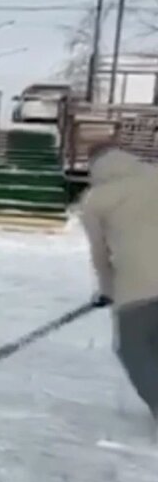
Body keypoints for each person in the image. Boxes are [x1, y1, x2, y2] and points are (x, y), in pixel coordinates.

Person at [80, 142, 158, 423]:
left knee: (134, 349)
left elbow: (101, 255)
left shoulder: (96, 199)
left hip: (137, 287)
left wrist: (108, 289)